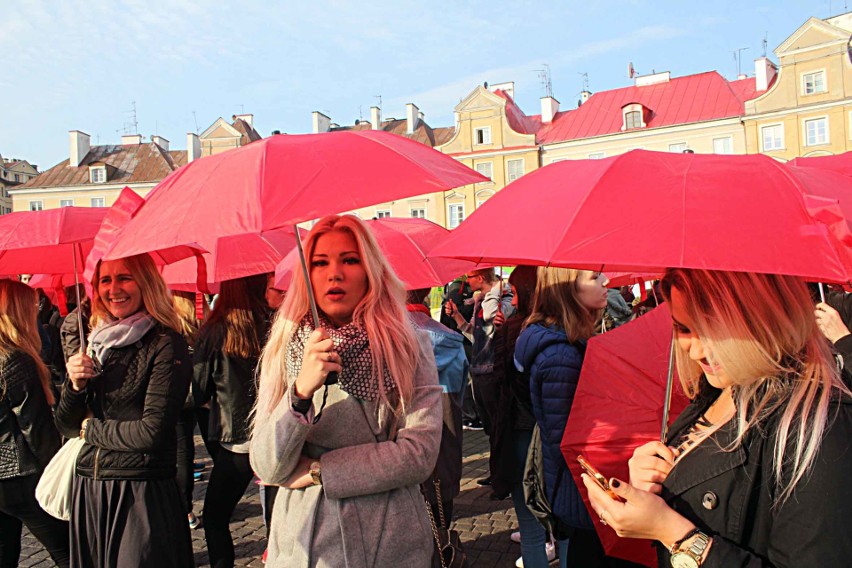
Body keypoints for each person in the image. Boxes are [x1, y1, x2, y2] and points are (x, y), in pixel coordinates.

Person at [583, 269, 852, 567]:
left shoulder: (819, 426)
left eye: (713, 329)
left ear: (767, 317)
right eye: (683, 328)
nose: (695, 349)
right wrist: (650, 482)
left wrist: (673, 532)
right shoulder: (718, 390)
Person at [250, 214, 443, 568]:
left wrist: (319, 471)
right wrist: (300, 391)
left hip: (390, 541)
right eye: (319, 262)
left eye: (349, 260)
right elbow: (268, 467)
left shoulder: (407, 345)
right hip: (307, 546)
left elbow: (419, 454)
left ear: (370, 270)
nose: (334, 273)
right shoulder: (285, 346)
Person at [56, 254, 193, 568]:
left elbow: (151, 432)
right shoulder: (97, 343)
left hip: (139, 492)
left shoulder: (165, 343)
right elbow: (65, 426)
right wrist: (74, 386)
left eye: (124, 278)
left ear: (145, 282)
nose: (113, 288)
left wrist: (90, 430)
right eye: (105, 280)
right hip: (89, 489)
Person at [514, 267, 612, 566]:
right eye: (594, 277)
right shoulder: (561, 356)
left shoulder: (561, 342)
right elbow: (569, 439)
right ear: (568, 289)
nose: (605, 282)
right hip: (578, 487)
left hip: (572, 483)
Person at [194, 274, 271, 568]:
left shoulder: (214, 331)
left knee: (215, 517)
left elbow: (199, 390)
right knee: (279, 516)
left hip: (234, 438)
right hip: (272, 432)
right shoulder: (274, 324)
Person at [0, 279, 70, 568]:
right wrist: (58, 468)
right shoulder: (15, 359)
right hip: (21, 474)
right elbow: (35, 428)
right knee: (68, 551)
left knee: (4, 553)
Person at [445, 268, 514, 484]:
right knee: (490, 427)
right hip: (480, 370)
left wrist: (495, 291)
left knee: (497, 426)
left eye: (471, 277)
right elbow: (476, 335)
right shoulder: (482, 301)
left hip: (493, 370)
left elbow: (494, 315)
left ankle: (502, 476)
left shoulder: (502, 298)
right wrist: (456, 315)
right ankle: (497, 473)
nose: (467, 281)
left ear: (481, 278)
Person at [406, 287, 468, 525]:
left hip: (403, 451)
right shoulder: (452, 340)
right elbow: (461, 391)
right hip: (445, 436)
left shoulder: (387, 337)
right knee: (442, 515)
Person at [172, 289, 204, 530]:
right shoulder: (200, 326)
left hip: (173, 397)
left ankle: (180, 509)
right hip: (194, 398)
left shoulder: (167, 326)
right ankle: (184, 509)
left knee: (178, 452)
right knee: (184, 451)